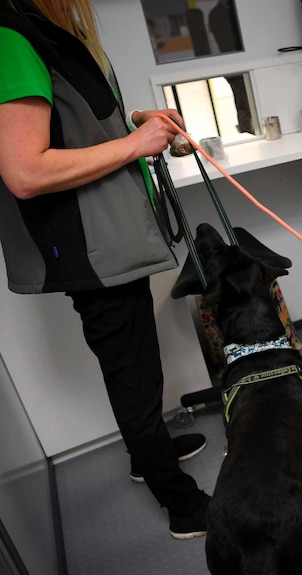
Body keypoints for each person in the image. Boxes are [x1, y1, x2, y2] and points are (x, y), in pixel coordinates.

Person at [0, 0, 210, 539]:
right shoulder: (11, 40)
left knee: (135, 361)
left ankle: (150, 454)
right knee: (132, 375)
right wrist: (135, 144)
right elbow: (24, 170)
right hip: (92, 250)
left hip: (112, 239)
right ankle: (182, 506)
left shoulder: (49, 34)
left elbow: (77, 129)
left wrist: (138, 121)